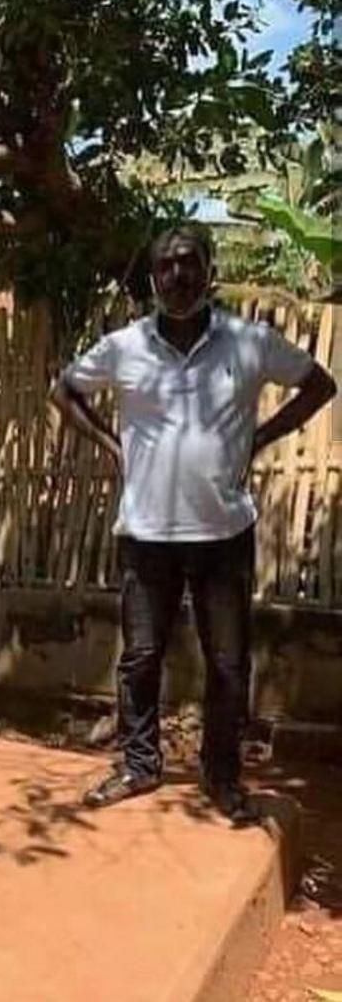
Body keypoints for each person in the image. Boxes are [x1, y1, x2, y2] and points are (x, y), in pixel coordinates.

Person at [51, 224, 336, 822]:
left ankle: (222, 775)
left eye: (188, 263)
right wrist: (110, 445)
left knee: (228, 664)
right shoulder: (125, 347)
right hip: (146, 534)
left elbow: (318, 383)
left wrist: (261, 436)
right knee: (140, 658)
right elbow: (65, 391)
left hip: (224, 535)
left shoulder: (248, 342)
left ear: (209, 270)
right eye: (165, 266)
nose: (177, 275)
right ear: (152, 278)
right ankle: (138, 763)